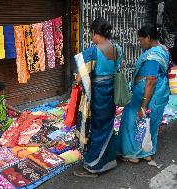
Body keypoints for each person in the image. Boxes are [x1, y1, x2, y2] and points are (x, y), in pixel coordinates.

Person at [73, 18, 123, 177]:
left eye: (91, 33)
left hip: (97, 94)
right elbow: (117, 68)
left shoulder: (92, 52)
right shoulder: (117, 49)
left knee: (96, 128)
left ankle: (93, 165)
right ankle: (109, 160)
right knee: (108, 126)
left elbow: (80, 79)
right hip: (111, 93)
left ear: (95, 33)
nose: (91, 36)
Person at [117, 24, 170, 163]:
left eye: (141, 40)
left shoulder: (152, 57)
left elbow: (151, 81)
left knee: (133, 120)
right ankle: (147, 152)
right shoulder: (163, 49)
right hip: (160, 92)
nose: (140, 43)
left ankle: (133, 154)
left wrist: (143, 105)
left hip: (148, 93)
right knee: (151, 122)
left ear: (148, 37)